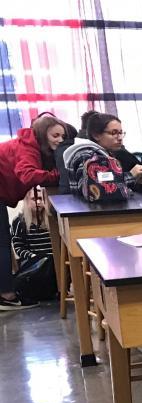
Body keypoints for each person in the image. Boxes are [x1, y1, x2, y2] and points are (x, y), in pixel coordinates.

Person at [0, 116, 63, 310]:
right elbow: (27, 174)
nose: (60, 140)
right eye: (55, 135)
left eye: (62, 136)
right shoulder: (28, 148)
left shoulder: (29, 145)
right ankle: (7, 296)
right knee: (2, 242)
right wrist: (57, 175)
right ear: (43, 135)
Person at [79, 110, 142, 182]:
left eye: (120, 133)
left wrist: (141, 176)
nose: (120, 138)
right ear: (96, 135)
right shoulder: (89, 155)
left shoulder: (107, 152)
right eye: (114, 133)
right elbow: (101, 180)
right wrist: (131, 175)